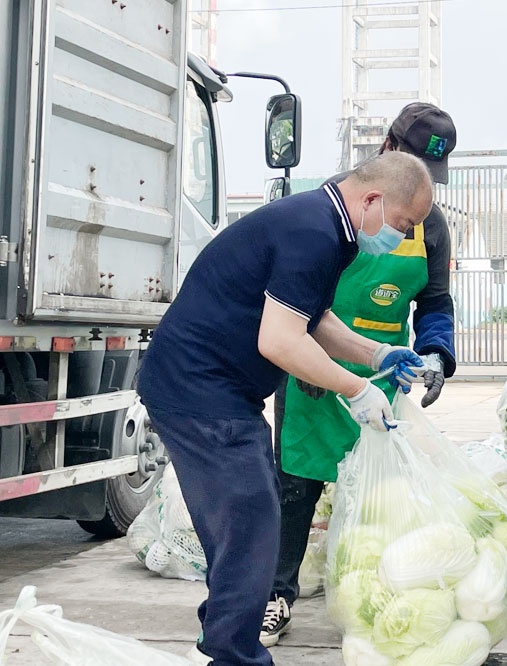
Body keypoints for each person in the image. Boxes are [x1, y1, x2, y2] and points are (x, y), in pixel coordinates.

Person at [136, 151, 433, 666]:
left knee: (247, 520)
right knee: (249, 520)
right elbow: (279, 340)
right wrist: (356, 390)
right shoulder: (314, 232)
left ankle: (224, 642)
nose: (402, 236)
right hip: (199, 389)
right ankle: (232, 653)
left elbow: (312, 316)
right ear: (372, 200)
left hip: (215, 390)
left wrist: (375, 354)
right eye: (404, 224)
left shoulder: (327, 225)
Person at [260, 102, 458, 647]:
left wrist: (435, 353)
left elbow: (435, 302)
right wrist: (303, 357)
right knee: (296, 485)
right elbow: (296, 298)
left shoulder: (430, 224)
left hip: (383, 372)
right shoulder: (337, 205)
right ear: (390, 149)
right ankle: (275, 595)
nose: (420, 185)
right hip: (311, 367)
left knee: (380, 492)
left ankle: (375, 594)